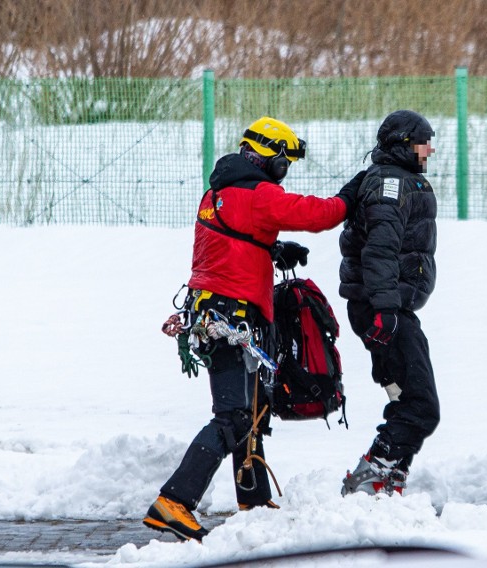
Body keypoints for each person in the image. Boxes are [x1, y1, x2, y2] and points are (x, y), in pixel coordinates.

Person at [144, 116, 364, 541]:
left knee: (251, 413)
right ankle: (173, 502)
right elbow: (317, 214)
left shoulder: (219, 192)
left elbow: (226, 243)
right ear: (270, 156)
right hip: (232, 319)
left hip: (213, 312)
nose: (286, 170)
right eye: (285, 161)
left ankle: (255, 500)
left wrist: (271, 247)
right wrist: (349, 196)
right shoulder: (259, 194)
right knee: (232, 417)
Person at [338, 110, 439, 497]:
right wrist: (384, 310)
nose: (429, 149)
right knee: (421, 404)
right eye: (422, 142)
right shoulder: (390, 184)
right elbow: (380, 250)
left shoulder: (397, 179)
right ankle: (370, 476)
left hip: (389, 307)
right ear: (401, 144)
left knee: (406, 398)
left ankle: (388, 479)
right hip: (383, 309)